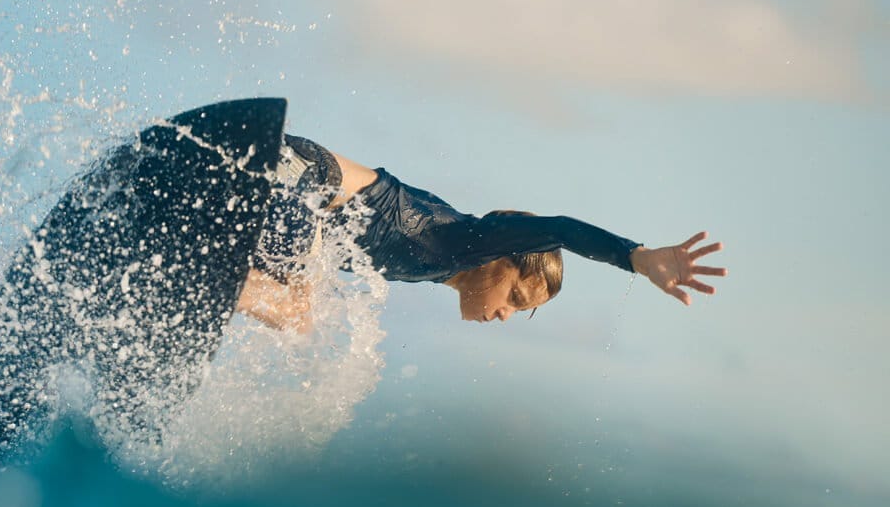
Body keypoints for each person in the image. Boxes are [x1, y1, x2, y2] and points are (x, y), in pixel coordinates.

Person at [235, 135, 726, 333]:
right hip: (297, 176)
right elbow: (559, 229)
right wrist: (634, 258)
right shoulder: (464, 241)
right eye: (515, 293)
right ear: (502, 256)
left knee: (296, 302)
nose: (504, 313)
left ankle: (196, 275)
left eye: (518, 308)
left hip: (284, 188)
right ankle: (215, 283)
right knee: (298, 313)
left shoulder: (438, 265)